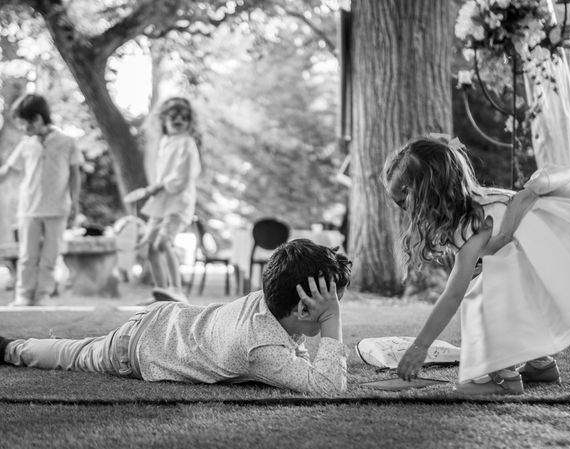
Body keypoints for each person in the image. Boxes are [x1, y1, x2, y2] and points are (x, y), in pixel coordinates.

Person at [382, 134, 570, 395]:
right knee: (503, 287)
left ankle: (502, 377)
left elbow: (453, 295)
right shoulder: (480, 203)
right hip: (539, 249)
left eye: (403, 200)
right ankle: (540, 364)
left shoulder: (473, 222)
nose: (404, 210)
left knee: (483, 296)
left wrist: (420, 347)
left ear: (428, 190)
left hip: (544, 247)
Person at [0, 239, 352, 395]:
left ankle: (23, 346)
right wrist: (331, 322)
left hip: (165, 321)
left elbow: (296, 349)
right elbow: (328, 387)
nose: (334, 309)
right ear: (304, 307)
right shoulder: (262, 348)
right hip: (138, 350)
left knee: (79, 348)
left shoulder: (268, 301)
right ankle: (10, 348)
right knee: (74, 355)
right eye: (332, 302)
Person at [0, 94, 82, 306]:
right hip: (29, 209)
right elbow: (8, 170)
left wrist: (75, 203)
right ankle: (24, 295)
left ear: (37, 118)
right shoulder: (26, 145)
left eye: (24, 124)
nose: (22, 128)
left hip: (57, 209)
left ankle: (43, 295)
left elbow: (75, 175)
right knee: (27, 256)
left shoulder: (67, 142)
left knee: (50, 257)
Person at [126, 96, 201, 304]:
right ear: (163, 119)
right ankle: (161, 292)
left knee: (162, 242)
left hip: (179, 204)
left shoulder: (187, 143)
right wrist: (156, 189)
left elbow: (181, 177)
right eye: (173, 116)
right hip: (161, 204)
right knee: (150, 246)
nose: (178, 120)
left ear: (190, 122)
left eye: (184, 118)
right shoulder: (165, 142)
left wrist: (156, 187)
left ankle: (177, 291)